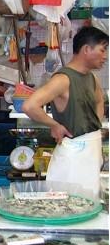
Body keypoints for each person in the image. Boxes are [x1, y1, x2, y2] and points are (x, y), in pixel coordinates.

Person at [23, 26, 108, 197]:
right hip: (72, 156)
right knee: (66, 205)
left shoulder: (92, 78)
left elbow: (99, 101)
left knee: (88, 205)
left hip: (91, 152)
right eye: (103, 49)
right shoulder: (63, 79)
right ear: (86, 49)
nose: (105, 56)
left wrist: (94, 129)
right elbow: (30, 106)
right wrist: (54, 125)